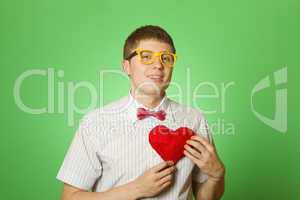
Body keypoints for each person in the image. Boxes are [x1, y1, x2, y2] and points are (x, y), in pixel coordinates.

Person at [56, 25, 225, 200]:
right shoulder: (95, 122)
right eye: (146, 57)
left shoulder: (194, 120)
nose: (158, 65)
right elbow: (70, 197)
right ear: (127, 66)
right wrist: (135, 190)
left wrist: (216, 176)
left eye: (166, 58)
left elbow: (206, 197)